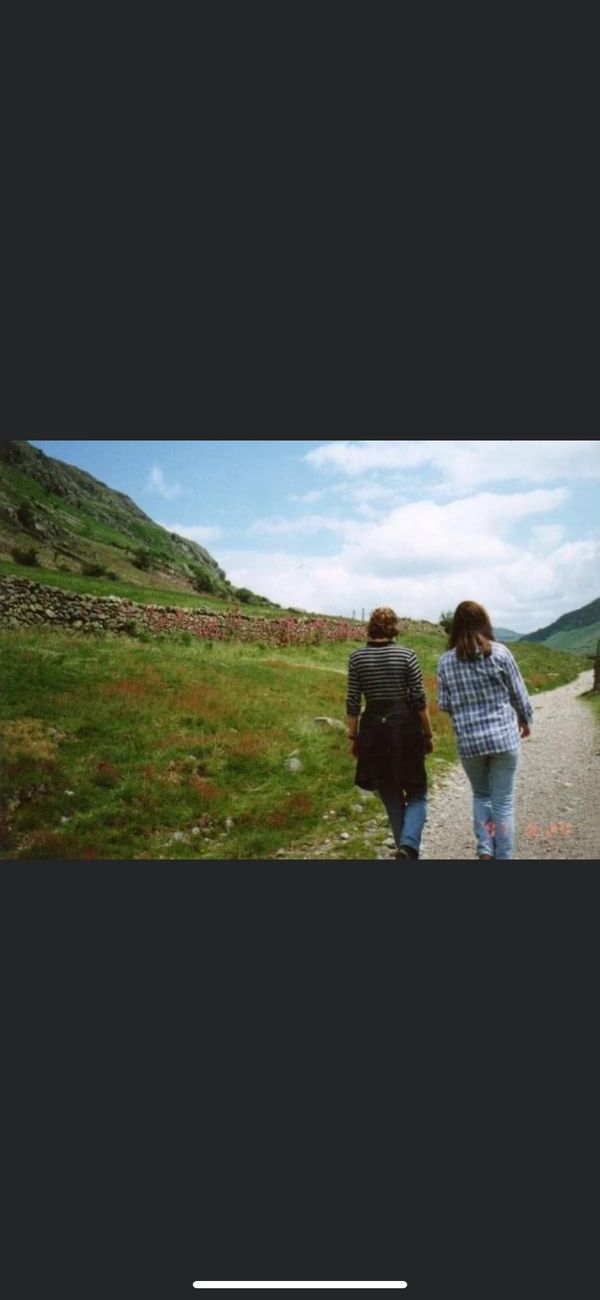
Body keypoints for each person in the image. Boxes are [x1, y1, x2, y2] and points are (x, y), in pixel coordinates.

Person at [437, 601, 534, 861]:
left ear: (455, 627)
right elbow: (519, 693)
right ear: (484, 622)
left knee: (481, 795)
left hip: (469, 743)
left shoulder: (445, 662)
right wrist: (526, 720)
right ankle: (503, 856)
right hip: (503, 738)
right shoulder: (501, 653)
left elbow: (444, 704)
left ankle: (485, 848)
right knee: (503, 802)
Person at [347, 607, 434, 860]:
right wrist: (428, 734)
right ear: (394, 628)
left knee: (390, 793)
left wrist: (353, 738)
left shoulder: (356, 658)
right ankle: (407, 846)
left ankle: (405, 850)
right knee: (417, 791)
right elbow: (419, 700)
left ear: (370, 628)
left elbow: (353, 702)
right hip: (405, 728)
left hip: (372, 730)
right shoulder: (407, 655)